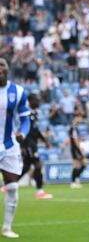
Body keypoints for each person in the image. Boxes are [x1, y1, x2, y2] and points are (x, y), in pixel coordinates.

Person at [0, 58, 31, 238]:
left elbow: (26, 118)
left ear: (8, 69)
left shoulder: (18, 92)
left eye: (2, 65)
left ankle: (7, 228)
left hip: (9, 145)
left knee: (12, 187)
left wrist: (23, 133)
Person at [17, 93, 53, 199]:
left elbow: (36, 131)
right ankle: (40, 191)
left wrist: (45, 140)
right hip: (29, 144)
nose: (38, 102)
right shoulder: (27, 114)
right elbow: (24, 131)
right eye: (36, 100)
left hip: (33, 143)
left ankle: (9, 184)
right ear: (31, 101)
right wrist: (23, 146)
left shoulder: (34, 114)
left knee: (26, 166)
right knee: (38, 165)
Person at [69, 112, 87, 189]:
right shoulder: (74, 127)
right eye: (79, 117)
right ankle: (73, 182)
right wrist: (79, 149)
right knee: (76, 165)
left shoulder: (74, 127)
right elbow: (75, 139)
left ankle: (76, 179)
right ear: (76, 118)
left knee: (84, 164)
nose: (81, 119)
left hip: (75, 148)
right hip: (75, 149)